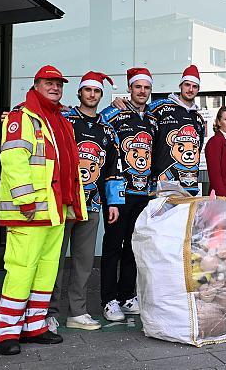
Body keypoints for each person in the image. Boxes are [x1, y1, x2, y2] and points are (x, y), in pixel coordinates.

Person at [0, 65, 87, 356]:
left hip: (55, 210)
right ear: (36, 85)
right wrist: (25, 200)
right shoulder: (21, 117)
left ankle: (34, 326)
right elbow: (13, 160)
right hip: (30, 210)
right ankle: (7, 332)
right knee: (22, 269)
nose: (55, 87)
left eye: (59, 84)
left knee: (46, 270)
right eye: (49, 83)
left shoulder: (60, 119)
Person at [45, 72, 125, 333]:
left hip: (92, 205)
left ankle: (77, 313)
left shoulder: (107, 129)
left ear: (101, 96)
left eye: (97, 91)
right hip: (65, 202)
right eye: (87, 90)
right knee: (55, 260)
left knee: (84, 262)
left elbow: (113, 169)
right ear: (79, 93)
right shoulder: (64, 119)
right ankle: (48, 312)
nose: (92, 95)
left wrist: (113, 202)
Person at [100, 68, 157, 320]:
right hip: (118, 192)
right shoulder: (115, 114)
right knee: (113, 246)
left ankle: (125, 296)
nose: (142, 91)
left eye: (146, 87)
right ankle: (108, 300)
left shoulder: (153, 120)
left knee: (133, 247)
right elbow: (90, 122)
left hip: (143, 193)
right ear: (130, 89)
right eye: (137, 87)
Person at [149, 65, 206, 196]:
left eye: (194, 86)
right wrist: (120, 104)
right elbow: (137, 113)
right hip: (163, 186)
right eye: (187, 85)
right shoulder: (161, 107)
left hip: (190, 187)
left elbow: (198, 148)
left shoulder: (198, 119)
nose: (190, 89)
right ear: (180, 85)